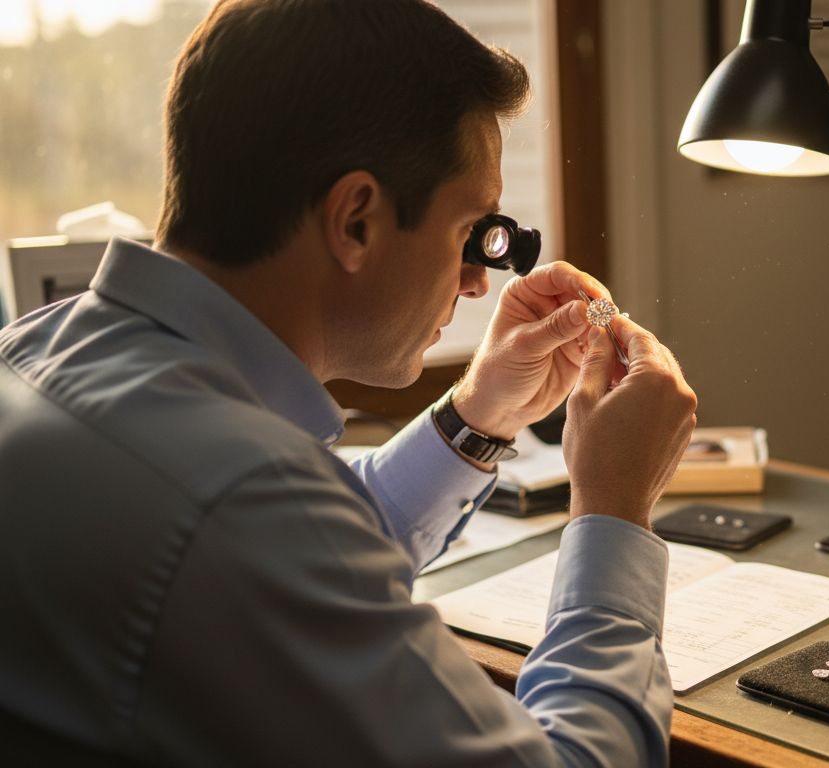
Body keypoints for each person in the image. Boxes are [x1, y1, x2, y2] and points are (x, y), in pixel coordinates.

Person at [0, 1, 697, 765]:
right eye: (469, 231)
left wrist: (479, 417)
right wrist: (615, 510)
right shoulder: (239, 500)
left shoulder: (38, 349)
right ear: (357, 220)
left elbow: (299, 545)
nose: (476, 282)